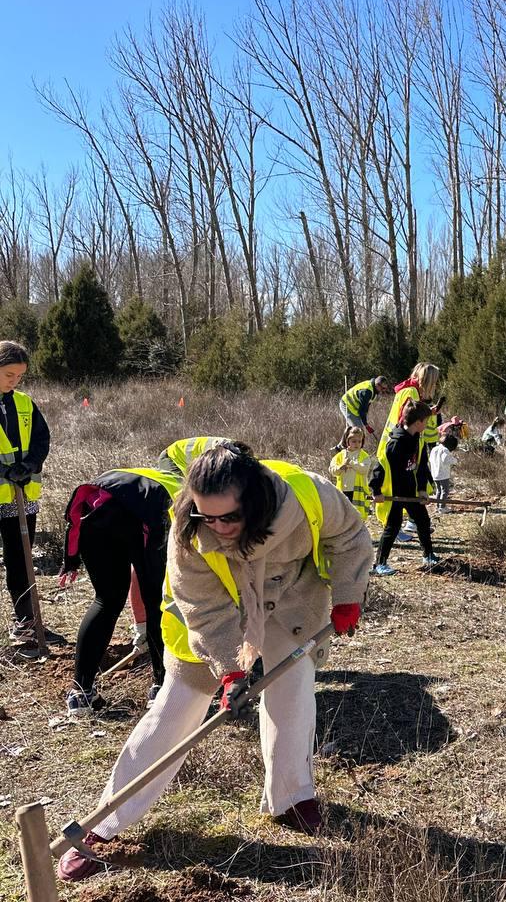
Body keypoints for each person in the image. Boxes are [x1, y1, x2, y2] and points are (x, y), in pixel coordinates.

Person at [57, 443, 372, 881]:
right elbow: (203, 610)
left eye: (229, 517)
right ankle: (105, 823)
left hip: (292, 598)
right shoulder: (189, 532)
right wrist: (231, 671)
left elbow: (351, 536)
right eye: (209, 517)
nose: (218, 527)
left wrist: (348, 594)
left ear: (255, 502)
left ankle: (292, 796)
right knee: (177, 705)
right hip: (218, 612)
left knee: (293, 689)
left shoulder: (308, 496)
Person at [57, 466, 184, 716]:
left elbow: (78, 511)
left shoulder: (139, 476)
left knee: (106, 600)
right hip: (140, 520)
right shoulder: (186, 493)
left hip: (95, 512)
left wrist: (70, 559)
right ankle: (160, 688)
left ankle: (81, 694)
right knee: (158, 601)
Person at [0, 341, 50, 653]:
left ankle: (26, 624)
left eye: (19, 376)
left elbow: (42, 439)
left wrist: (30, 465)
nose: (13, 381)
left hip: (21, 497)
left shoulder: (24, 403)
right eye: (8, 375)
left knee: (21, 560)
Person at [369, 400, 438, 575]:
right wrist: (376, 490)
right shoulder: (396, 443)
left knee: (423, 520)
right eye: (427, 422)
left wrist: (422, 489)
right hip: (393, 492)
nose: (428, 425)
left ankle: (428, 555)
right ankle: (380, 564)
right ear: (418, 422)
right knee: (392, 526)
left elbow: (421, 466)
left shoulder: (418, 440)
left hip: (411, 491)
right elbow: (380, 467)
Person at [328, 427, 372, 519]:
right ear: (347, 441)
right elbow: (332, 470)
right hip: (343, 490)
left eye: (359, 441)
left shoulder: (364, 456)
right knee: (343, 516)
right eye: (354, 441)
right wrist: (341, 467)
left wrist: (351, 463)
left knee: (357, 516)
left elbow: (363, 469)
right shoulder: (339, 456)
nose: (357, 444)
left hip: (357, 492)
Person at [157, 436, 234, 476]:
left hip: (184, 460)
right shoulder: (223, 455)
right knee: (179, 493)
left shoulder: (236, 451)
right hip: (170, 458)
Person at [430, 434, 459, 512]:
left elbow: (431, 460)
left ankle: (438, 506)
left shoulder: (434, 449)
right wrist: (455, 460)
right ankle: (442, 507)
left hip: (435, 473)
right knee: (445, 491)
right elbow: (446, 459)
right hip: (443, 474)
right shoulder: (445, 450)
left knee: (438, 491)